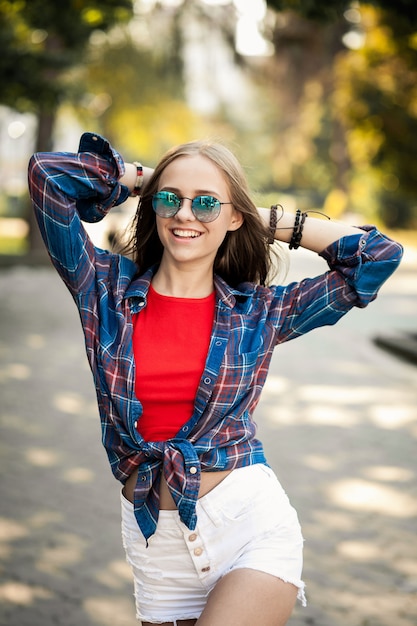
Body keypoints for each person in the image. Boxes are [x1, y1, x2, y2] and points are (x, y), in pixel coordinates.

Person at [28, 132, 403, 626]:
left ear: (233, 218)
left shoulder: (261, 312)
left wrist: (270, 220)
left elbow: (376, 257)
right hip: (155, 544)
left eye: (207, 204)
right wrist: (143, 179)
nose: (186, 214)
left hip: (248, 525)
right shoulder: (102, 288)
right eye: (172, 200)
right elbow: (47, 176)